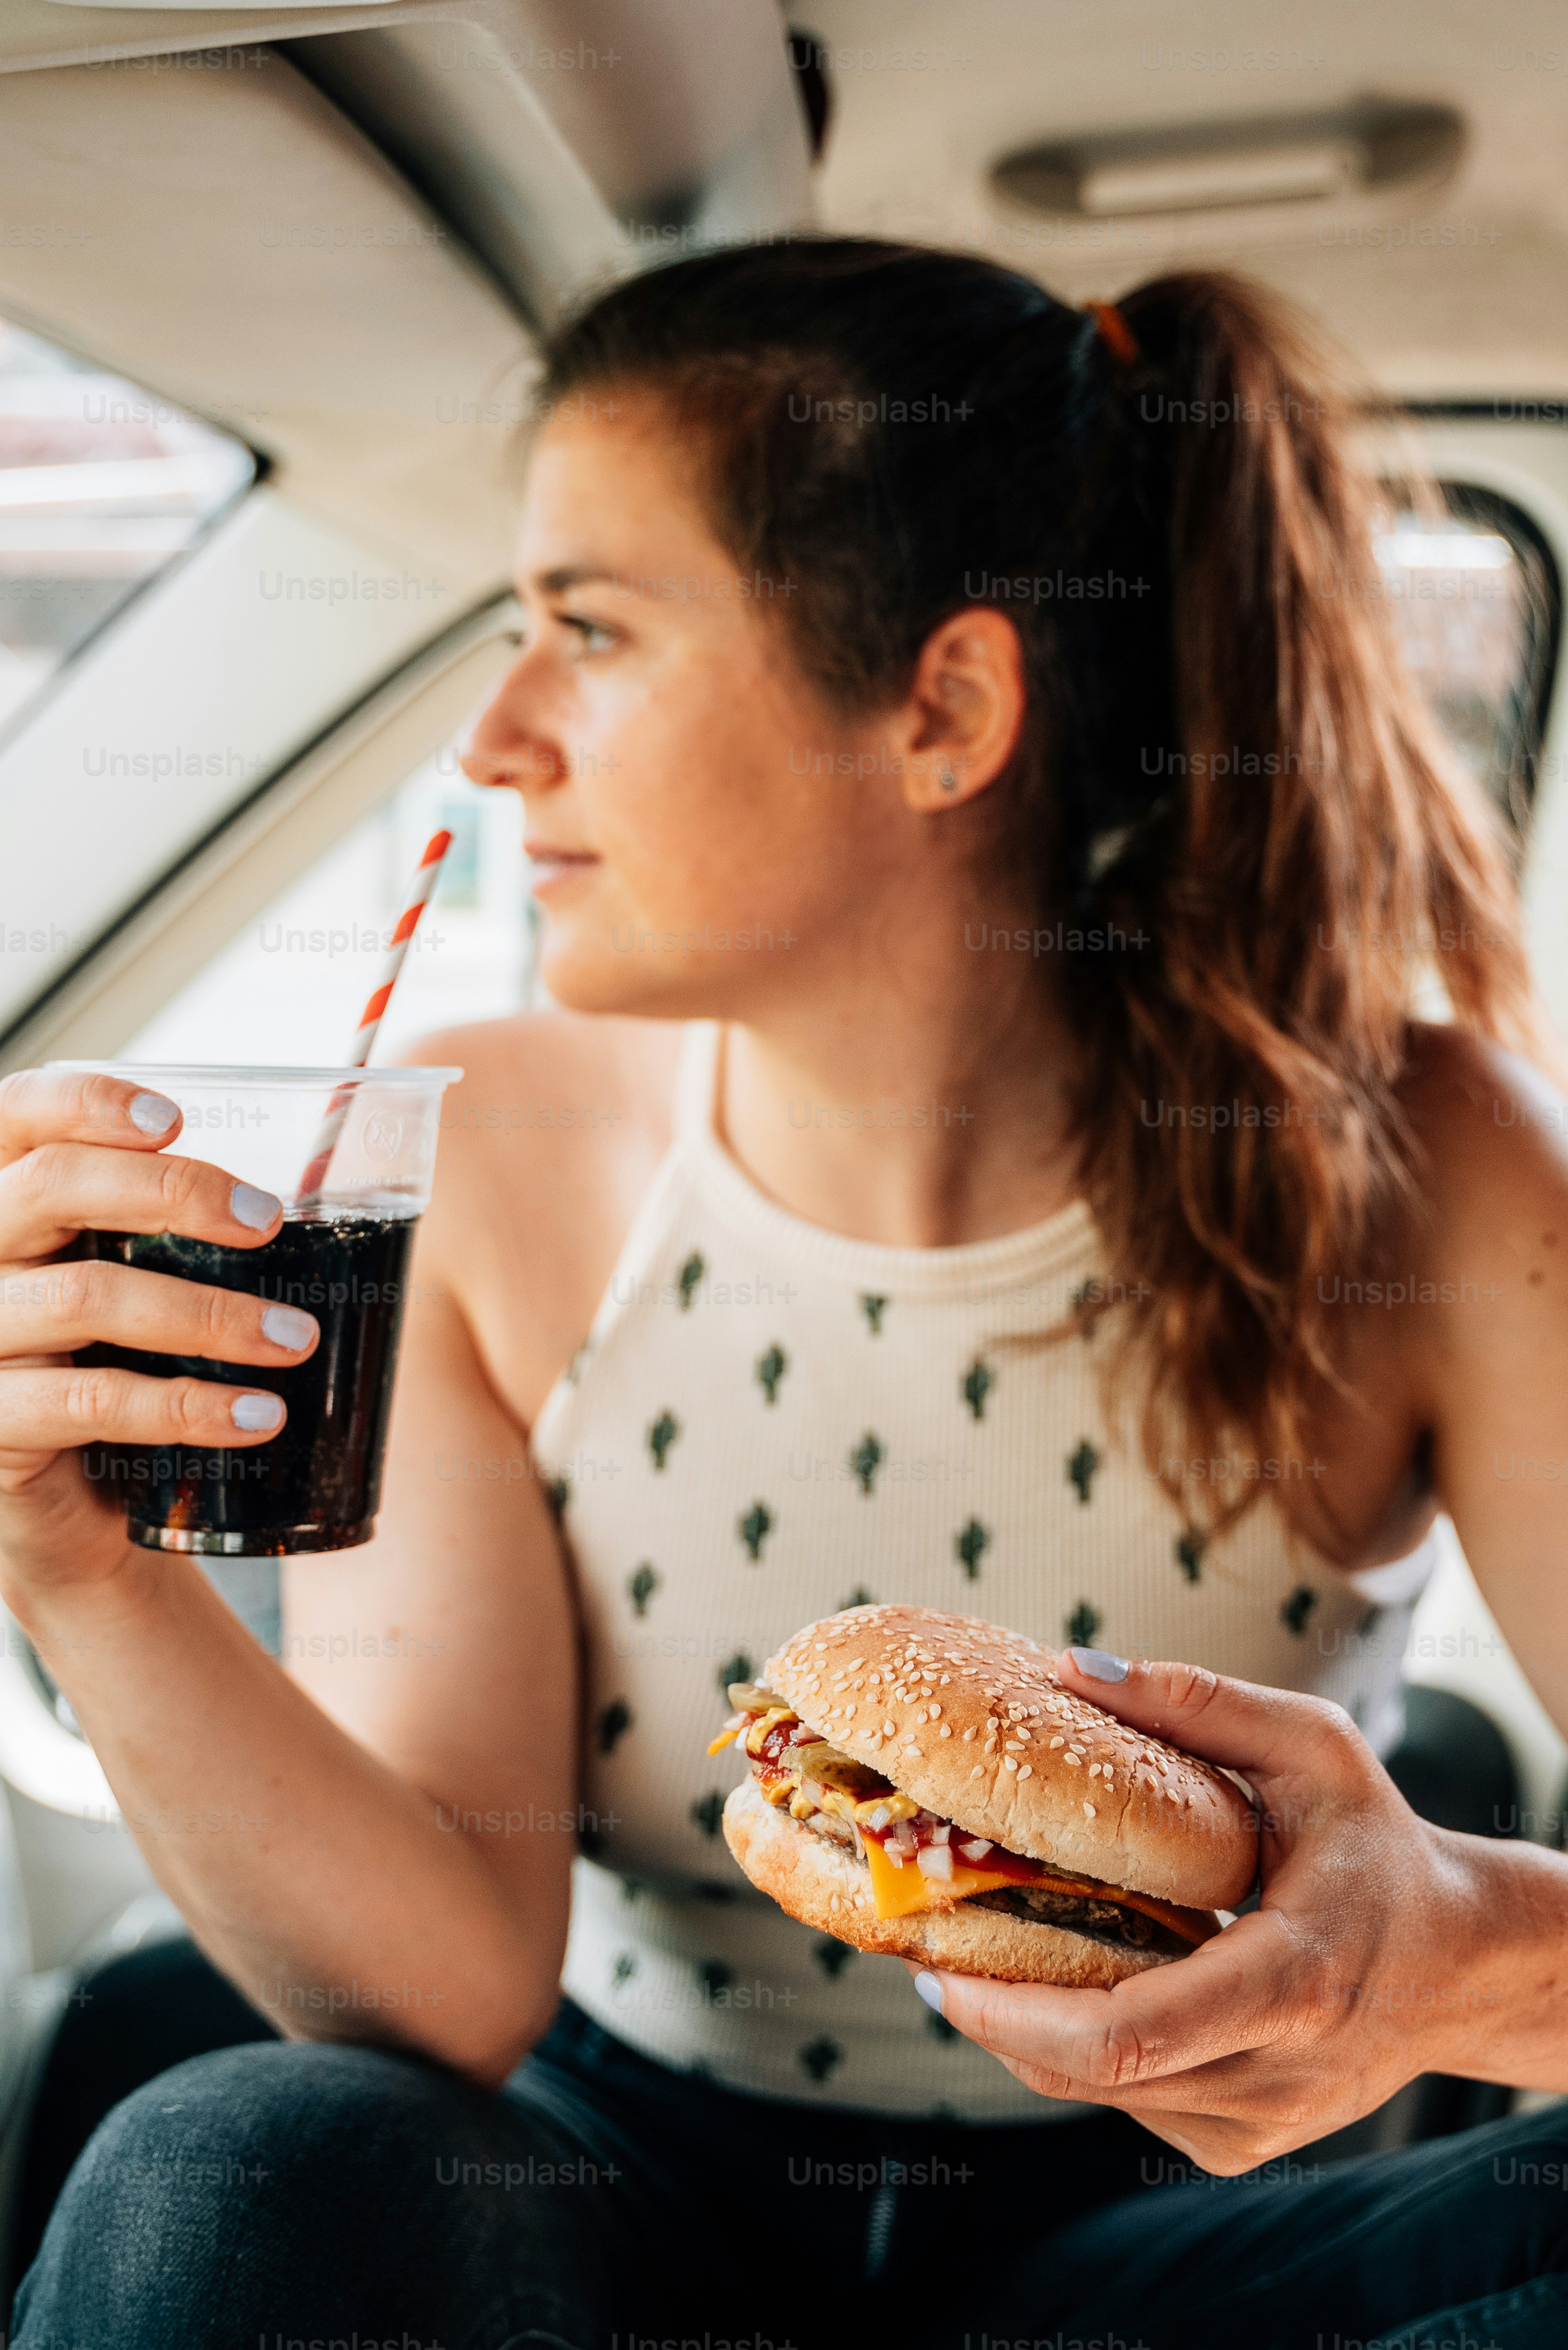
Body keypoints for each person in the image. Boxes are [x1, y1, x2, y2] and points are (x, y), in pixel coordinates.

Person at [5, 240, 1568, 2350]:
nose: (493, 739)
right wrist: (86, 1575)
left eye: (587, 629)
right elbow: (452, 1977)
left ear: (938, 712)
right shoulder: (485, 1153)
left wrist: (1460, 1952)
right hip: (616, 2193)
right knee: (232, 2161)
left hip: (1190, 2245)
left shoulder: (1426, 1158)